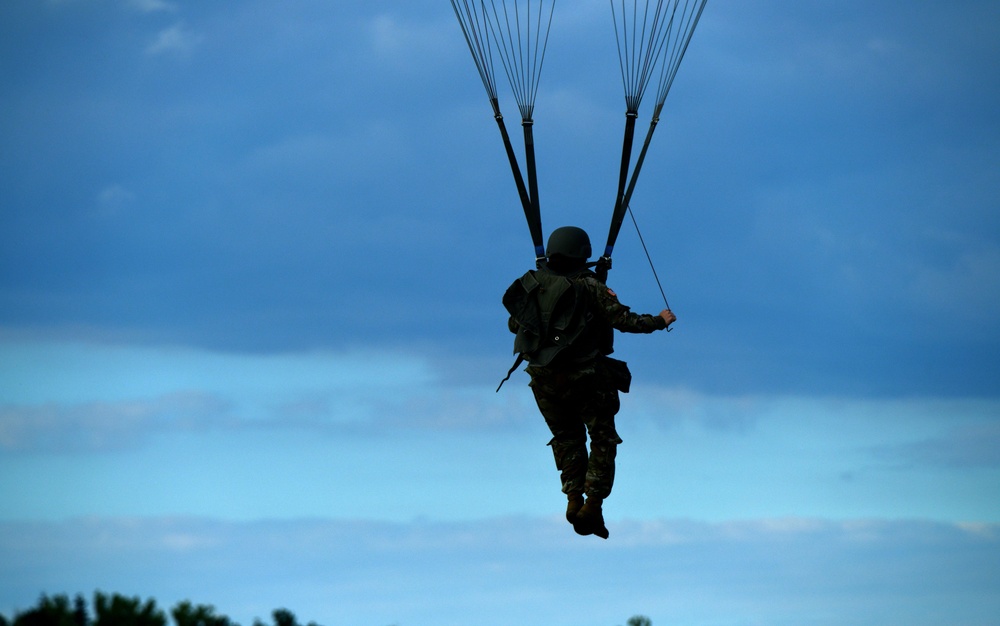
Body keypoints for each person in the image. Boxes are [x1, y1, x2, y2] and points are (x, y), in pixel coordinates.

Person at [502, 226, 676, 539]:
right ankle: (593, 504)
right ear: (583, 252)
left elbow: (515, 322)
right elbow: (625, 321)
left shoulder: (535, 283)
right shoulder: (590, 286)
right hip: (584, 377)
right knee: (602, 438)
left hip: (542, 377)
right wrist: (659, 321)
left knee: (567, 437)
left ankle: (573, 499)